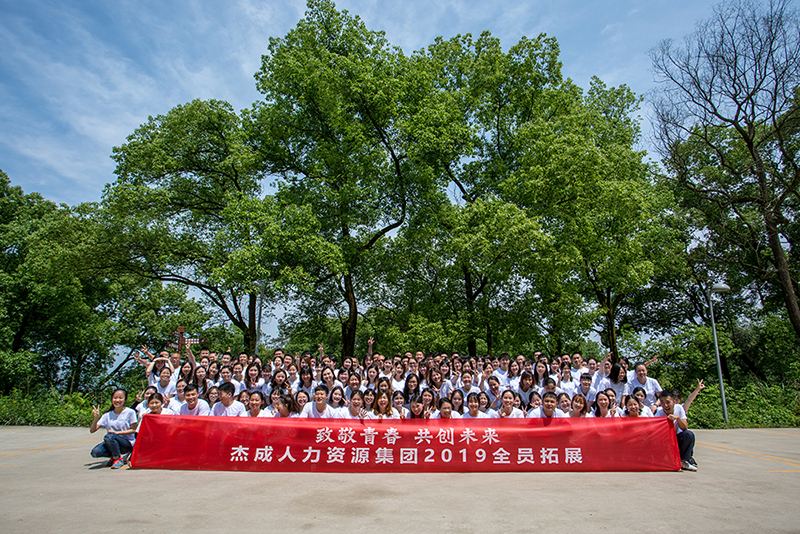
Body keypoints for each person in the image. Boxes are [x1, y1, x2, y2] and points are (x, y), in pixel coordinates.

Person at [90, 388, 138, 469]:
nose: (117, 400)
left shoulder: (130, 412)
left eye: (120, 398)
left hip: (126, 443)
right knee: (95, 452)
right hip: (111, 442)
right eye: (115, 398)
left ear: (125, 399)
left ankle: (117, 458)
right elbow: (92, 430)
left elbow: (133, 430)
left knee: (109, 436)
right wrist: (96, 418)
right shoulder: (107, 415)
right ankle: (113, 455)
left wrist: (117, 433)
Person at [655, 390, 697, 471]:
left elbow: (685, 427)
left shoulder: (679, 408)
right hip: (666, 441)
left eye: (668, 402)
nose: (665, 405)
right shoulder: (658, 414)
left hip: (677, 438)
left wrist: (678, 418)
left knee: (689, 434)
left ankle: (684, 461)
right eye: (662, 403)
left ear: (674, 402)